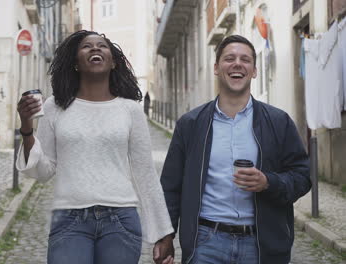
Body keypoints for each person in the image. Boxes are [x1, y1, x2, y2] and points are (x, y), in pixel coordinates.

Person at [16, 30, 174, 264]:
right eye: (86, 46)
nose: (95, 48)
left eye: (102, 46)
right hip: (69, 219)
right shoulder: (54, 107)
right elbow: (42, 171)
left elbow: (145, 174)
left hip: (120, 219)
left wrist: (163, 233)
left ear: (113, 62)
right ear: (76, 63)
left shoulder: (130, 110)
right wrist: (27, 128)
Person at [153, 35, 311, 264]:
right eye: (229, 58)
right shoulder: (191, 124)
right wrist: (166, 236)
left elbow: (302, 177)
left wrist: (268, 182)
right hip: (206, 243)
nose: (237, 64)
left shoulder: (279, 122)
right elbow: (170, 186)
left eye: (245, 59)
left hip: (261, 245)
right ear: (217, 68)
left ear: (254, 70)